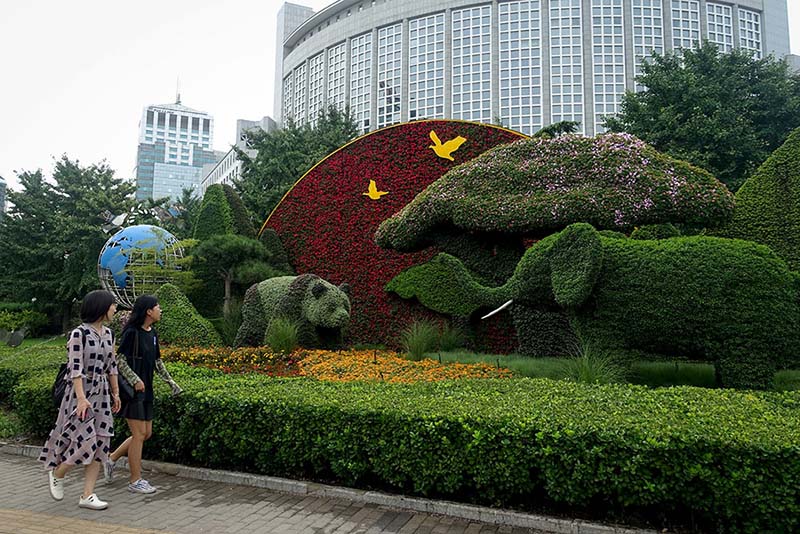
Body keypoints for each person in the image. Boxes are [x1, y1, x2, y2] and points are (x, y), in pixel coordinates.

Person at [40, 289, 121, 510]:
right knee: (84, 441)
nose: (116, 309)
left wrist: (115, 393)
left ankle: (87, 495)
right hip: (81, 394)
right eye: (113, 305)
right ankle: (58, 472)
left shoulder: (108, 334)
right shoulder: (79, 334)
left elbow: (112, 365)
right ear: (102, 307)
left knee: (100, 443)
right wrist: (82, 398)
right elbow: (75, 369)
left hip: (102, 394)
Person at [105, 295, 181, 494]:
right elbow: (119, 360)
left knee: (146, 434)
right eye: (158, 307)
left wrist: (170, 381)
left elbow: (157, 362)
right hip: (133, 392)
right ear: (148, 311)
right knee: (138, 435)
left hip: (147, 390)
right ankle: (135, 480)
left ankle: (111, 459)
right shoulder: (132, 332)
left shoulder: (152, 333)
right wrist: (135, 380)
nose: (160, 310)